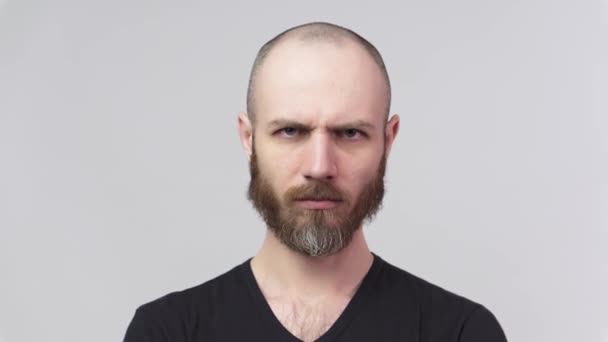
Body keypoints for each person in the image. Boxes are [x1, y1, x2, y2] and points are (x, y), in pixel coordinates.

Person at [123, 21, 508, 342]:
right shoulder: (167, 333)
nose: (320, 166)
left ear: (388, 141)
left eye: (350, 133)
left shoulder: (460, 333)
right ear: (248, 138)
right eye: (291, 131)